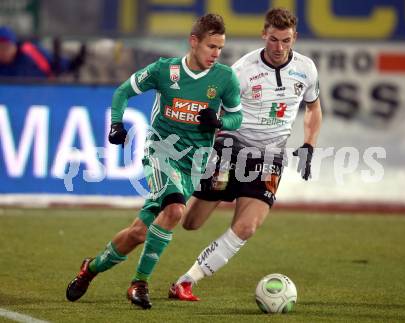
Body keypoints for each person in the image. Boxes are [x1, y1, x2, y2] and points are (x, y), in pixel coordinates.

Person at [65, 13, 242, 309]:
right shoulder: (165, 70)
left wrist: (221, 119)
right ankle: (139, 283)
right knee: (174, 211)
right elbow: (123, 91)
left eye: (220, 48)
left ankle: (90, 269)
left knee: (139, 232)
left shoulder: (225, 78)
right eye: (211, 46)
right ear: (194, 42)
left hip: (194, 164)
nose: (216, 54)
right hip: (161, 151)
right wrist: (116, 124)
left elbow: (238, 116)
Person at [168, 7, 322, 301]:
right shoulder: (241, 70)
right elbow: (214, 106)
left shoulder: (307, 69)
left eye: (286, 41)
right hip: (230, 149)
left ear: (295, 38)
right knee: (190, 223)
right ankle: (190, 202)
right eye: (274, 40)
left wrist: (309, 144)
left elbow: (313, 108)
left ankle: (187, 281)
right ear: (264, 34)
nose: (279, 48)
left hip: (270, 157)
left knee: (247, 227)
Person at [0, 26, 84, 78]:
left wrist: (72, 64)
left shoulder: (30, 52)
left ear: (14, 45)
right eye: (0, 47)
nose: (3, 51)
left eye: (7, 47)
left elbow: (53, 63)